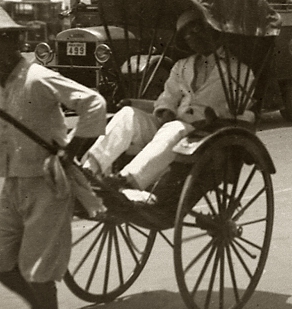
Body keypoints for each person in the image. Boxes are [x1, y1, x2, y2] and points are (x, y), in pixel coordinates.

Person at [0, 4, 106, 309]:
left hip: (47, 183)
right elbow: (6, 128)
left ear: (12, 42)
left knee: (37, 266)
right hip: (13, 182)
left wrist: (72, 150)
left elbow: (94, 103)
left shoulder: (38, 78)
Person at [83, 10, 250, 193]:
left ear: (212, 30)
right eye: (186, 35)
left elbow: (243, 109)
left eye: (196, 31)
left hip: (205, 133)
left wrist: (217, 120)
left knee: (174, 129)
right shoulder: (182, 65)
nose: (192, 38)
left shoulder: (238, 70)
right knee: (128, 115)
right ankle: (90, 169)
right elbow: (168, 97)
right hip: (172, 124)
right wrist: (166, 110)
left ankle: (127, 181)